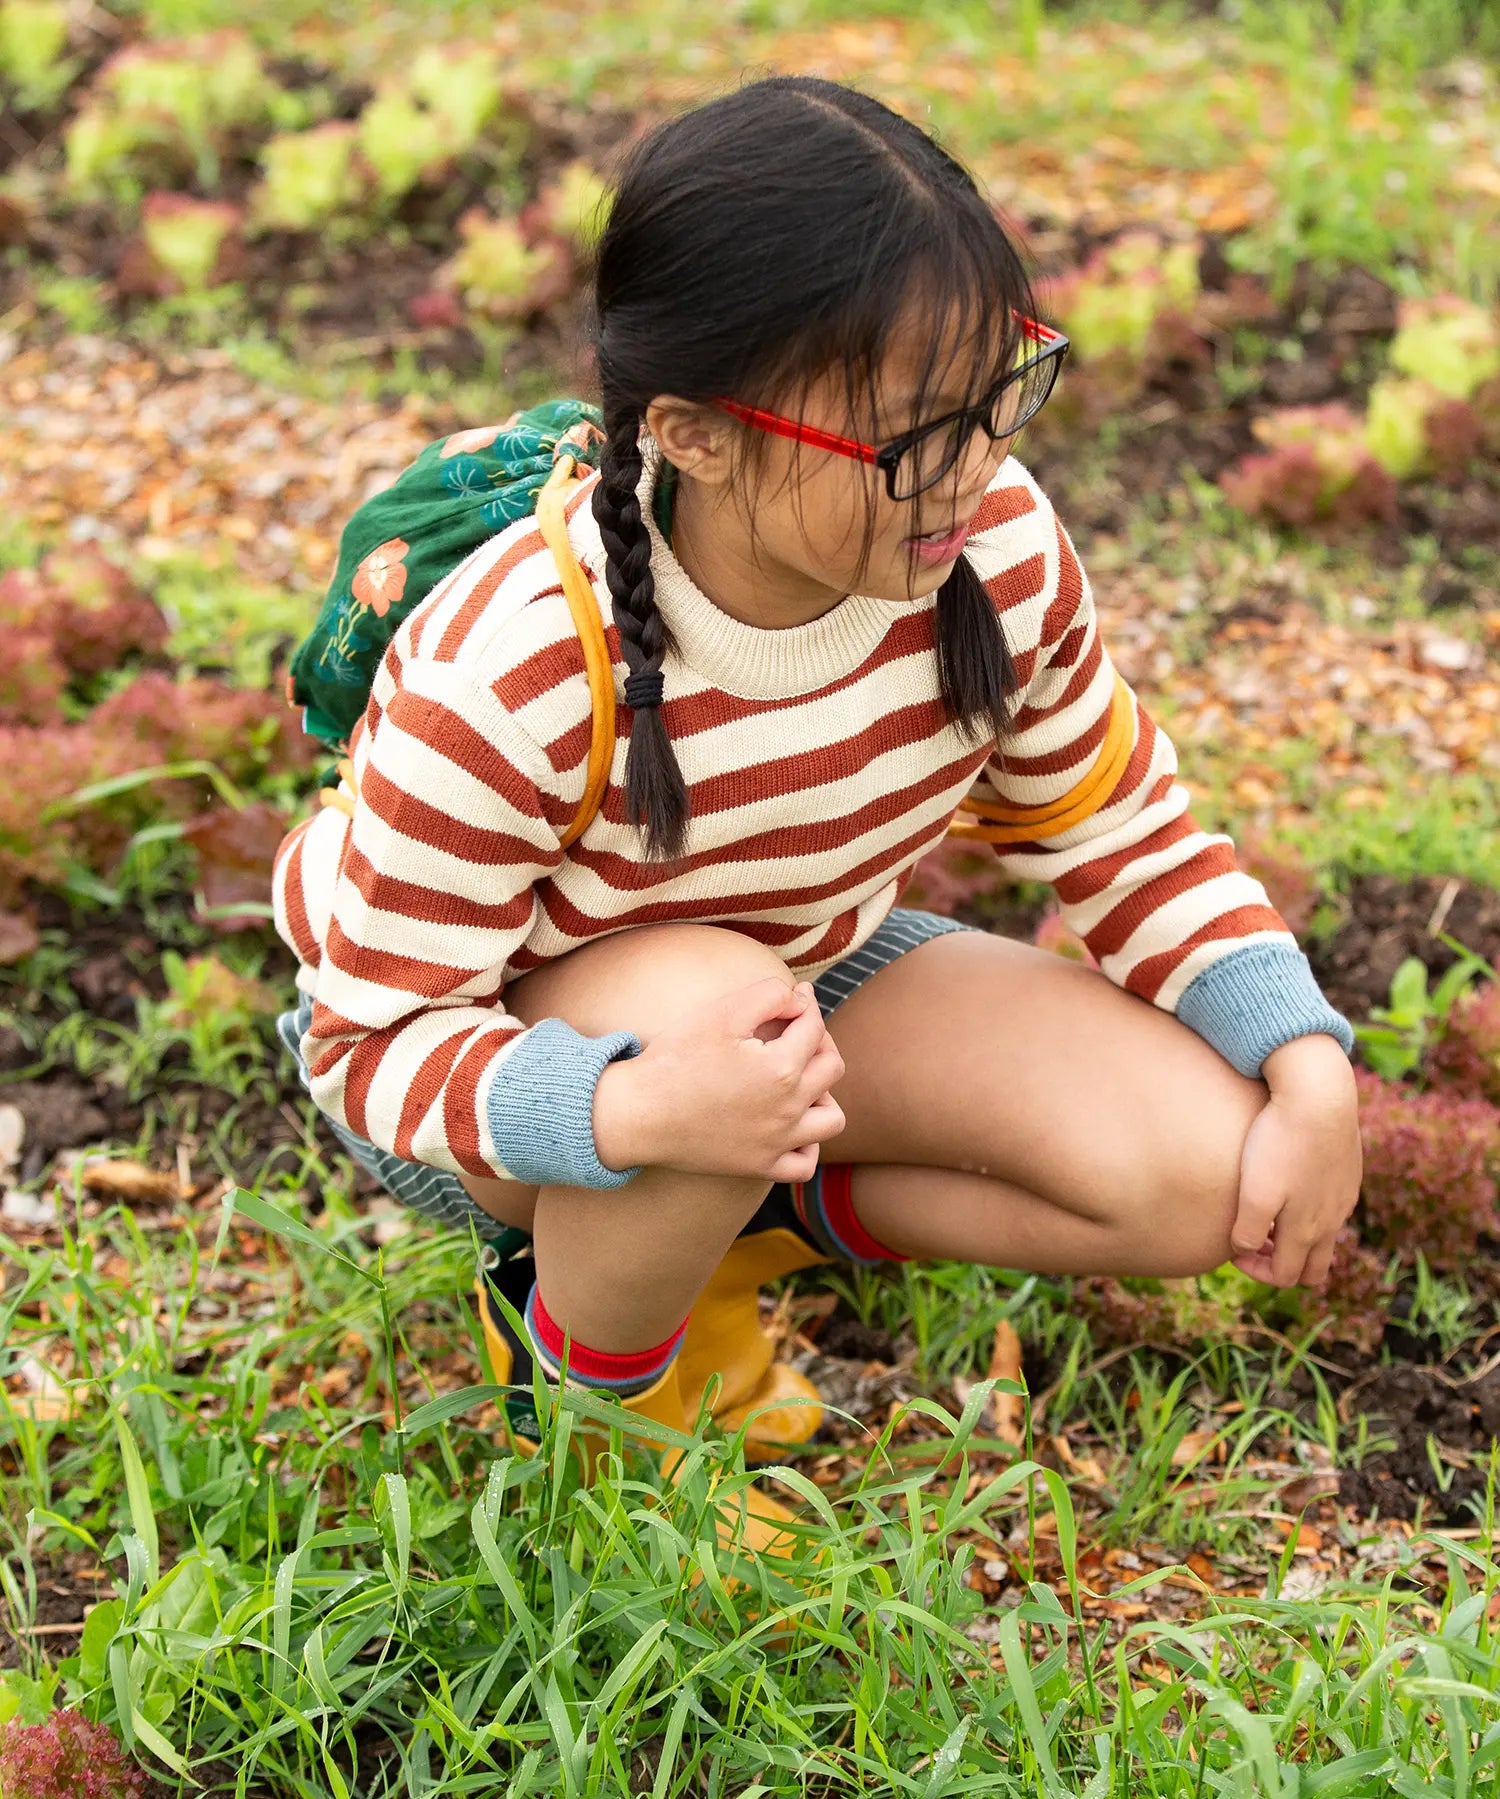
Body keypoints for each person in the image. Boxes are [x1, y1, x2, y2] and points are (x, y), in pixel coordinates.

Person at [272, 74, 1361, 1509]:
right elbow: (367, 1042)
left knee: (1192, 1167)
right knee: (733, 1025)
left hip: (779, 990)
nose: (972, 472)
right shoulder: (528, 658)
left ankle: (703, 1245)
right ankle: (594, 1440)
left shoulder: (989, 545)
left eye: (997, 398)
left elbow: (1122, 829)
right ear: (700, 434)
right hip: (489, 1064)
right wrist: (628, 1119)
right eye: (914, 436)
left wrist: (1305, 1058)